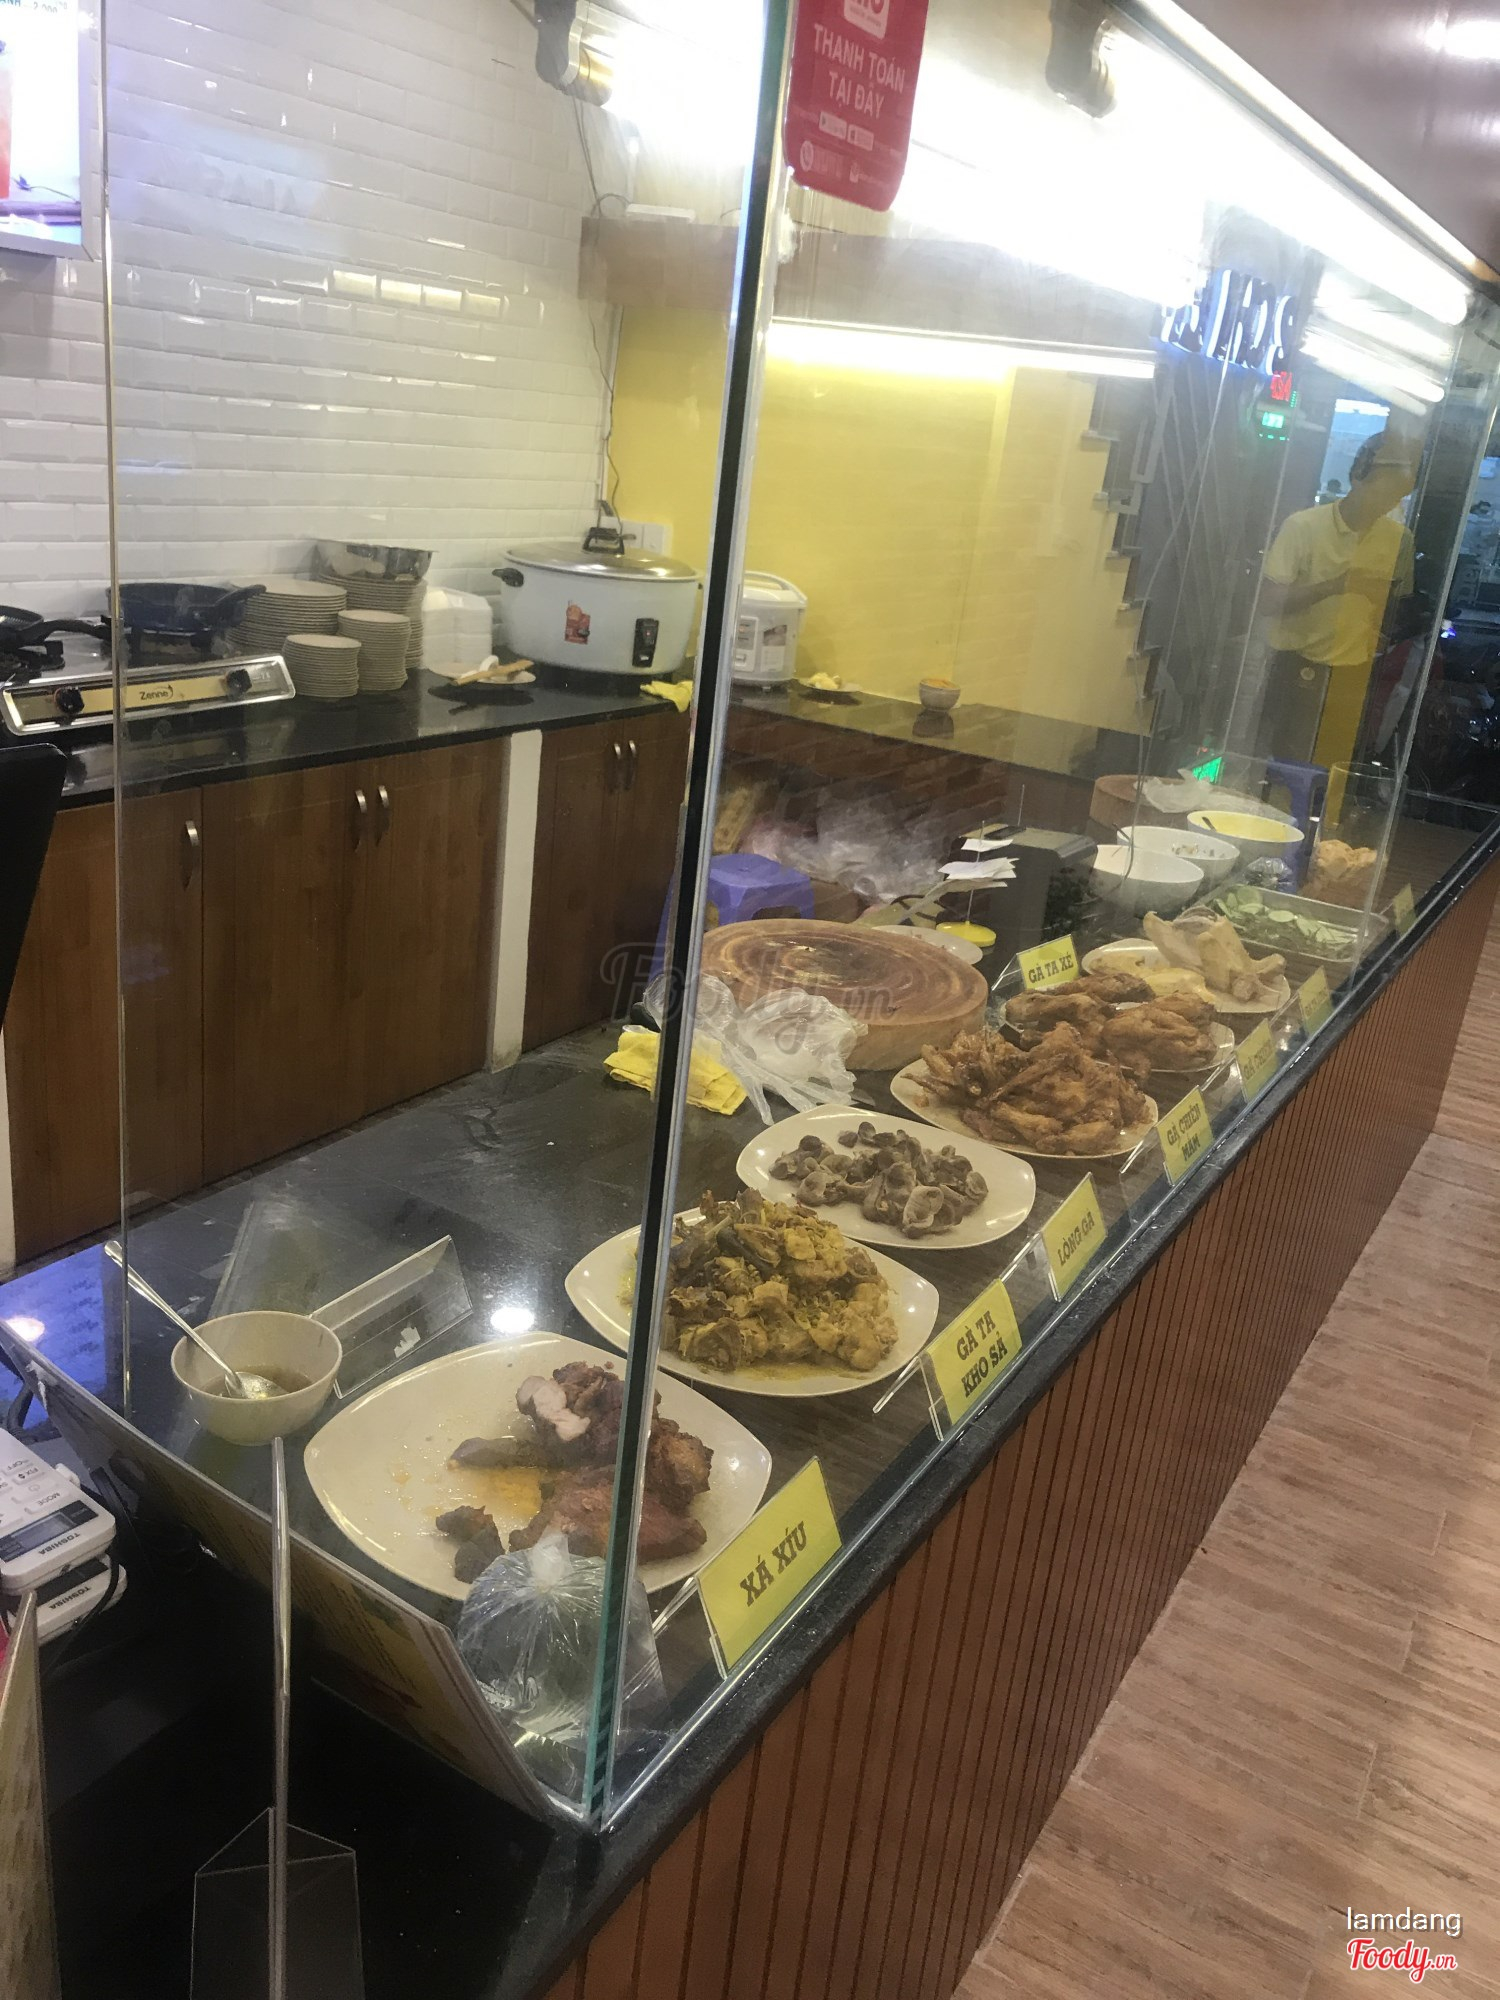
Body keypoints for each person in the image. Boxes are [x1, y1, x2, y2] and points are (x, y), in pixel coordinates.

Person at [1255, 430, 1418, 764]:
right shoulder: (1302, 526)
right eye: (1383, 492)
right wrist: (1335, 586)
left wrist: (1382, 631)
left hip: (1355, 673)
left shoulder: (1399, 539)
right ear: (1357, 476)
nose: (1387, 504)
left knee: (1335, 766)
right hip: (1296, 665)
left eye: (1396, 497)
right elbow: (1267, 603)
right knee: (1283, 763)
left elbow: (1398, 608)